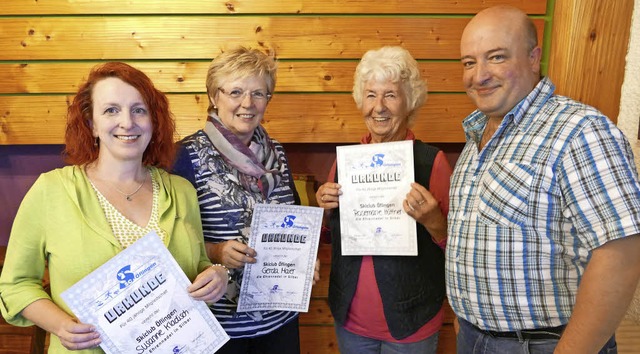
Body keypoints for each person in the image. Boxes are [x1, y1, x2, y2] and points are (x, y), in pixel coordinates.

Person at [447, 5, 640, 354]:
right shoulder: (476, 139)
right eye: (469, 62)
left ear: (534, 58)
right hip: (475, 340)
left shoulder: (579, 130)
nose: (479, 75)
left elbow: (622, 254)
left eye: (496, 57)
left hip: (547, 345)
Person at [0, 62, 228, 353]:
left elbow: (198, 266)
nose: (127, 122)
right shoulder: (51, 191)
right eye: (111, 110)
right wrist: (60, 325)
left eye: (139, 110)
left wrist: (217, 274)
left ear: (153, 120)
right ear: (92, 124)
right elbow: (15, 285)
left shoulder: (181, 191)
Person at [172, 46, 314, 354]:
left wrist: (302, 262)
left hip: (280, 320)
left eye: (258, 94)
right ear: (214, 96)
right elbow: (171, 240)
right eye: (235, 91)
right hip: (221, 327)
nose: (247, 103)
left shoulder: (277, 152)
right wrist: (216, 250)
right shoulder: (185, 156)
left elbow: (293, 224)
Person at [315, 46, 451, 354]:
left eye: (390, 95)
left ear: (409, 101)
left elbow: (457, 248)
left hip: (411, 323)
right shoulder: (344, 163)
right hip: (350, 319)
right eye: (371, 94)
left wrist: (434, 223)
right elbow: (330, 237)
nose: (379, 107)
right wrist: (323, 210)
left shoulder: (433, 163)